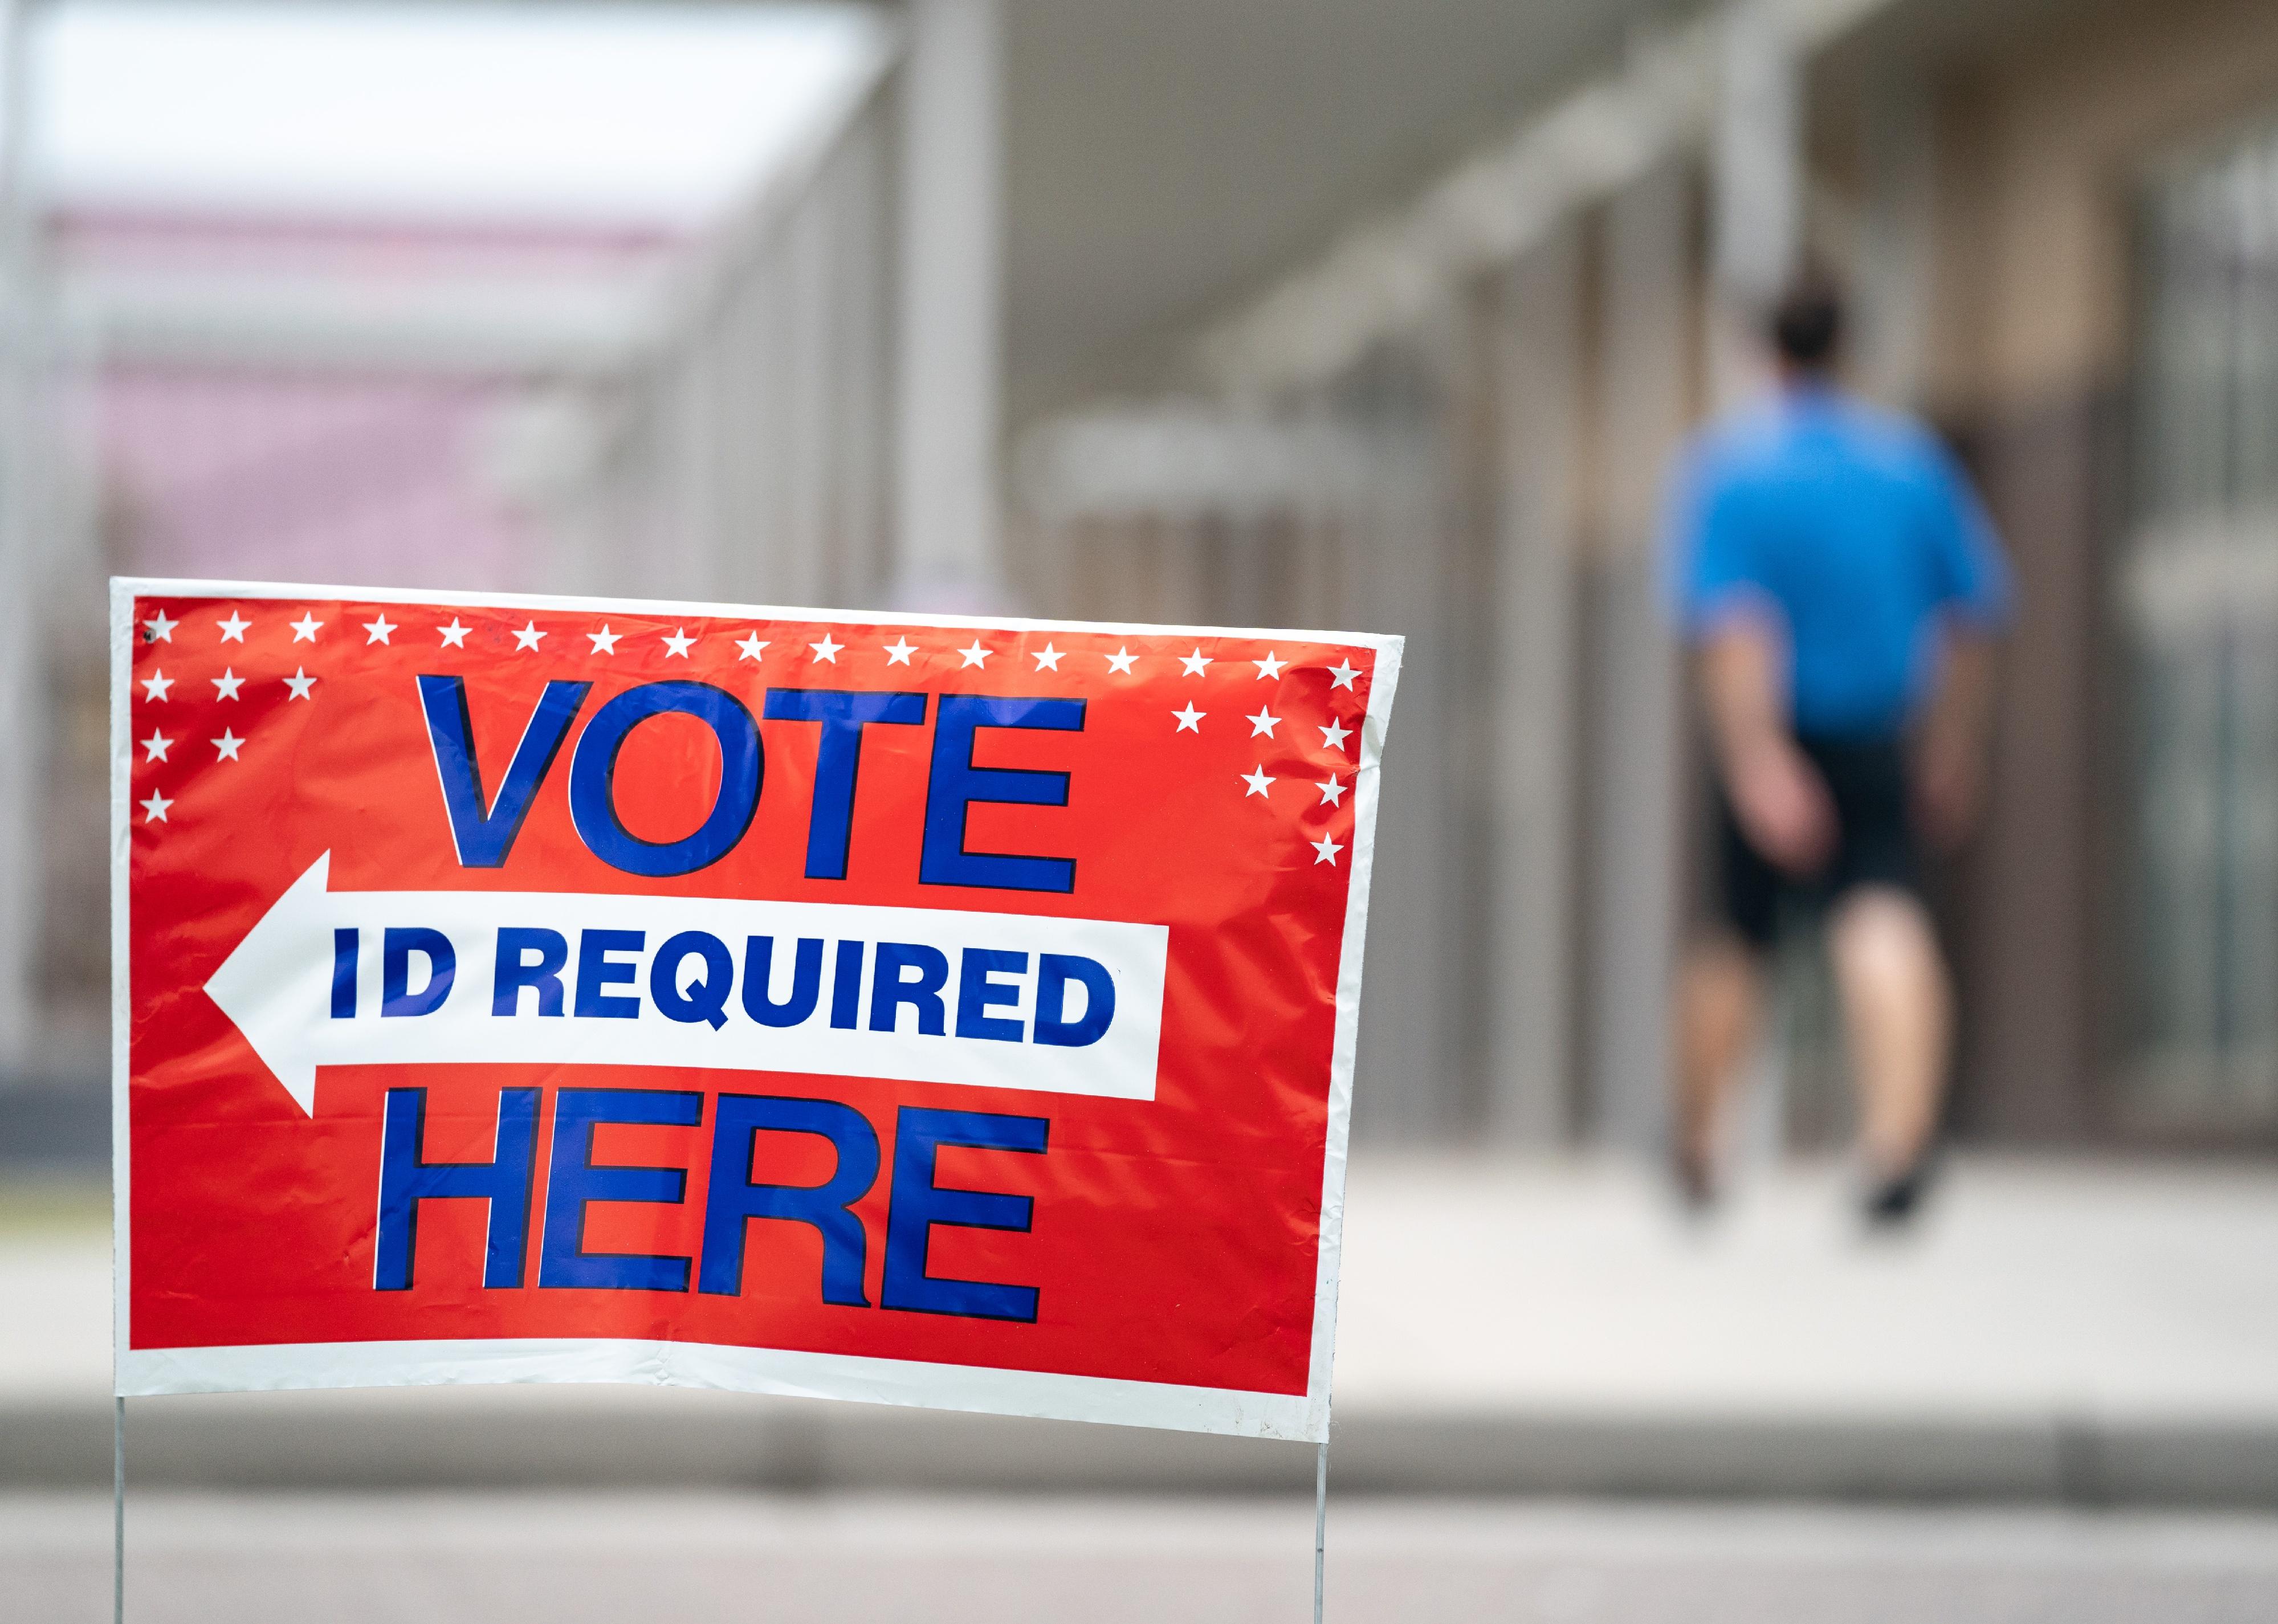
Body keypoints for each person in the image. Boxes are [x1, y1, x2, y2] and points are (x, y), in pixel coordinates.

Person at [1661, 276, 2011, 1225]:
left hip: (1779, 726)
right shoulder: (1909, 466)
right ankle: (1897, 1142)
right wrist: (1948, 744)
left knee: (1737, 936)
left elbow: (1736, 625)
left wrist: (1755, 758)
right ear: (1847, 347)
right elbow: (1968, 615)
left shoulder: (1730, 471)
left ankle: (1697, 1143)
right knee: (1882, 915)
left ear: (1763, 355)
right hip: (1878, 730)